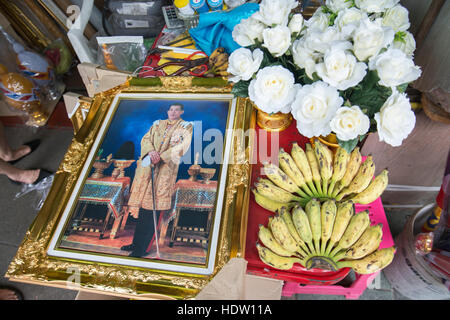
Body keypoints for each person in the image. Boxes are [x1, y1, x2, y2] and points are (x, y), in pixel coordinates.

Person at [121, 103, 193, 257]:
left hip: (165, 171)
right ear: (168, 111)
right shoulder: (157, 124)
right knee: (143, 210)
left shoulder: (186, 126)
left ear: (181, 112)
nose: (173, 112)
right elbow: (145, 139)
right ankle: (135, 243)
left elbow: (182, 146)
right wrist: (151, 152)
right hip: (148, 171)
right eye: (171, 109)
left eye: (176, 110)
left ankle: (143, 248)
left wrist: (161, 157)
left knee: (153, 212)